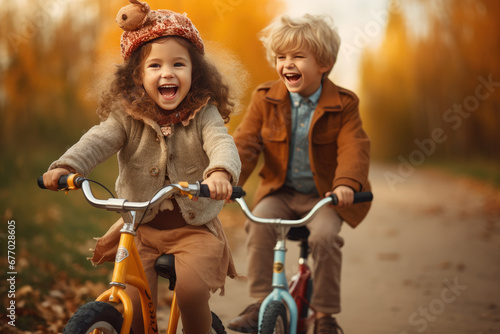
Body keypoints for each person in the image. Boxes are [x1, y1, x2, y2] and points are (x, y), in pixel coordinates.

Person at [41, 1, 242, 333]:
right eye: (155, 66)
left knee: (192, 294)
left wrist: (220, 172)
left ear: (196, 72)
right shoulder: (126, 116)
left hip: (194, 231)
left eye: (179, 64)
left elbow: (221, 141)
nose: (167, 73)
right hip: (141, 231)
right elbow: (98, 139)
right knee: (132, 307)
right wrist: (67, 166)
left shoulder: (204, 113)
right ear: (136, 75)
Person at [228, 14, 371, 334]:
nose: (287, 64)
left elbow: (354, 147)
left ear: (324, 63)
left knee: (324, 238)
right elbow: (246, 143)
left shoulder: (344, 104)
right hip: (280, 193)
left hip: (325, 196)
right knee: (259, 223)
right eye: (281, 57)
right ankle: (261, 302)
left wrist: (346, 184)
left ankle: (325, 316)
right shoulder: (266, 98)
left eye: (297, 56)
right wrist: (227, 177)